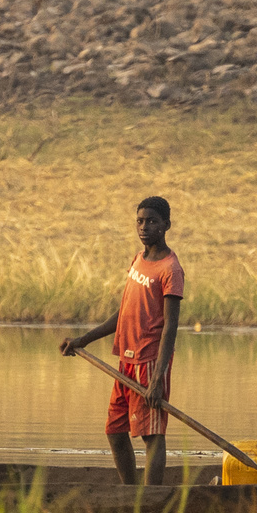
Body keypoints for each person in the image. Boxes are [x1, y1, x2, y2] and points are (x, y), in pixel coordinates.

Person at [58, 196, 184, 486]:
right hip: (126, 361)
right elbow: (125, 311)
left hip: (150, 362)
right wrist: (83, 340)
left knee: (152, 436)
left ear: (166, 225)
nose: (144, 227)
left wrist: (157, 379)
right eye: (140, 221)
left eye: (152, 221)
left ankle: (151, 498)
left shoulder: (171, 269)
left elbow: (170, 328)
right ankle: (130, 493)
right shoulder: (139, 260)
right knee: (115, 431)